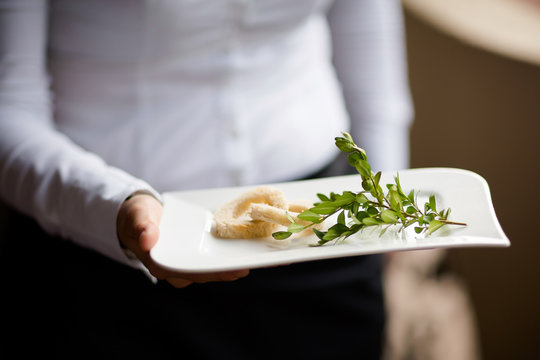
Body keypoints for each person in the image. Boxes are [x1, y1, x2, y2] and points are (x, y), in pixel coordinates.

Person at [0, 0, 413, 358]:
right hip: (109, 252)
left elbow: (367, 32)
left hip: (320, 240)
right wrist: (114, 205)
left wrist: (383, 194)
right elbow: (9, 107)